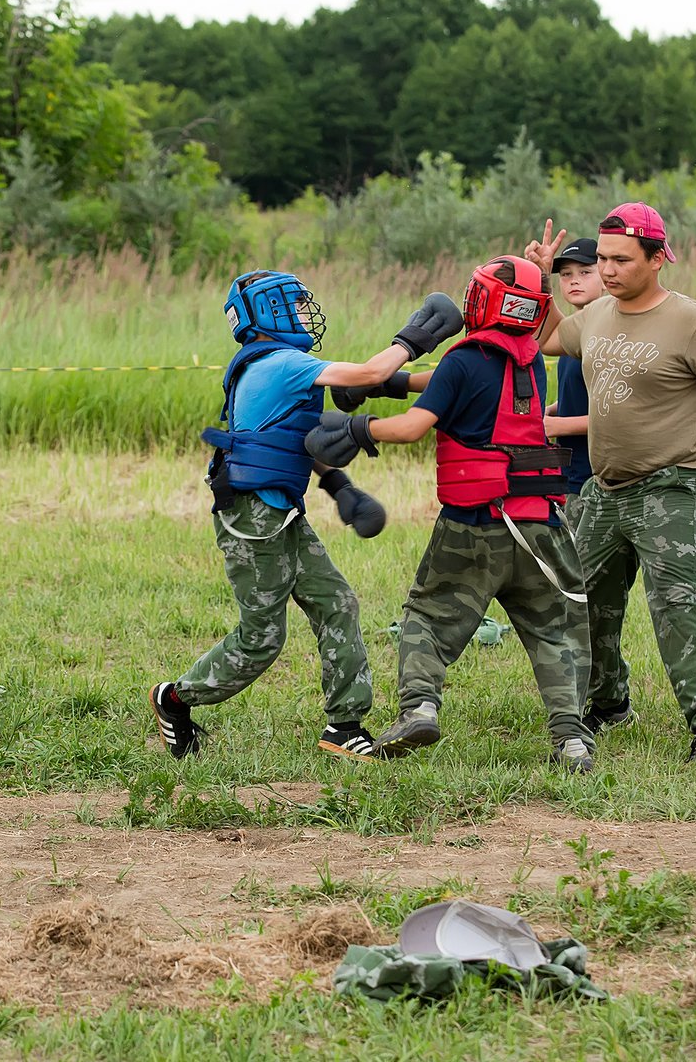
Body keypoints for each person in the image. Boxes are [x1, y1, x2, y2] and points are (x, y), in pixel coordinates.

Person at [148, 270, 463, 761]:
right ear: (270, 311)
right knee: (262, 639)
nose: (303, 313)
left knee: (337, 602)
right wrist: (413, 337)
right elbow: (366, 375)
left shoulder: (280, 365)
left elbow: (294, 437)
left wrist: (339, 486)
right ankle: (174, 697)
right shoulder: (279, 362)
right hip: (252, 519)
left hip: (281, 513)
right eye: (294, 305)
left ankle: (344, 726)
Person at [307, 256, 595, 772]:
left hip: (476, 521)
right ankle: (571, 740)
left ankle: (419, 707)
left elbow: (416, 426)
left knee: (428, 617)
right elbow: (458, 380)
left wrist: (360, 429)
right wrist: (389, 383)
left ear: (481, 301)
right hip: (541, 522)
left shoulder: (465, 360)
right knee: (554, 630)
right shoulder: (532, 361)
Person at [534, 204, 696, 760]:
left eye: (621, 259)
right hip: (604, 488)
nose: (608, 269)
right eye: (602, 259)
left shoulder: (692, 322)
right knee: (581, 598)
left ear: (656, 258)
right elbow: (551, 339)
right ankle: (607, 703)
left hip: (672, 486)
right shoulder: (597, 315)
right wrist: (540, 278)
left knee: (677, 602)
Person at [540, 237, 602, 531]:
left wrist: (557, 427)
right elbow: (552, 333)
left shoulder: (608, 337)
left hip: (597, 477)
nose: (574, 281)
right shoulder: (578, 332)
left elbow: (621, 414)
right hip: (572, 473)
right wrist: (556, 409)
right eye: (566, 275)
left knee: (581, 572)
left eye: (585, 272)